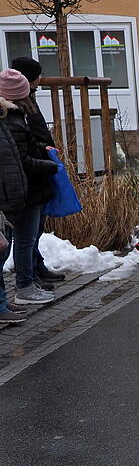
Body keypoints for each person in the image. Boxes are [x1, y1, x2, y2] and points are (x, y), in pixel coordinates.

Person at [0, 69, 59, 307]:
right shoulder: (14, 120)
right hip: (21, 191)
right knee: (21, 240)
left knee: (17, 241)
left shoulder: (13, 118)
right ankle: (22, 287)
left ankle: (11, 295)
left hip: (18, 190)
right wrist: (49, 166)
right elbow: (20, 160)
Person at [9, 56, 64, 286]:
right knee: (26, 235)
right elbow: (22, 146)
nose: (41, 79)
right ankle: (27, 278)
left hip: (38, 170)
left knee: (34, 229)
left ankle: (35, 268)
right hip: (30, 175)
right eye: (38, 75)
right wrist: (45, 159)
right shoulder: (16, 110)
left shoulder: (28, 101)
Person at [0, 97, 28, 323]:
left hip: (8, 202)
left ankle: (1, 302)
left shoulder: (4, 118)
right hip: (3, 202)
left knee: (2, 254)